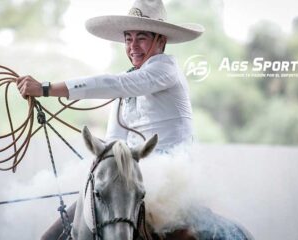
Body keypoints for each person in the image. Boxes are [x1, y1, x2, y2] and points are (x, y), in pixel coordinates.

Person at [16, 0, 203, 238]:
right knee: (52, 237)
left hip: (171, 181)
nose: (133, 46)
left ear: (161, 41)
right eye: (128, 38)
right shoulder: (127, 83)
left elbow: (115, 84)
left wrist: (45, 88)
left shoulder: (165, 69)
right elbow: (114, 140)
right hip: (127, 180)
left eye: (142, 37)